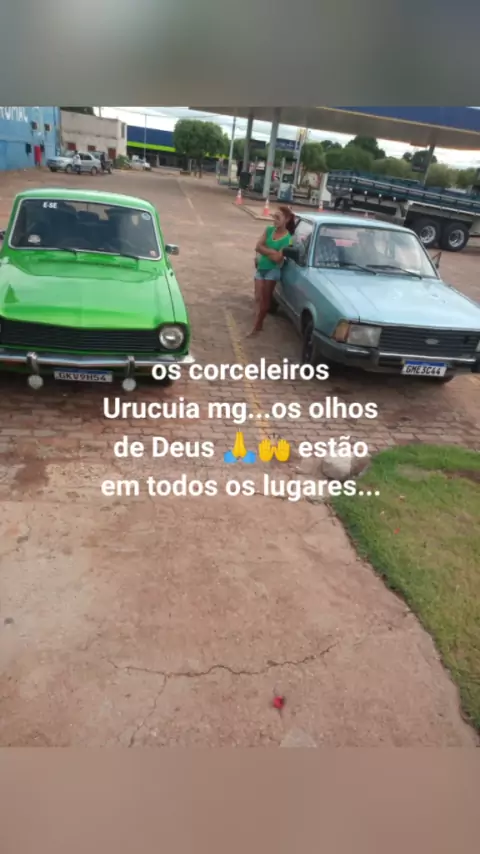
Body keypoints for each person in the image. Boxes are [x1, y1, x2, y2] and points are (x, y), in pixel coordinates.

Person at [249, 205, 295, 336]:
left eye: (278, 217)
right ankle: (257, 322)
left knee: (265, 300)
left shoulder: (288, 239)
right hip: (261, 268)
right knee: (258, 297)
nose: (275, 220)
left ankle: (257, 325)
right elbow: (258, 246)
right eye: (274, 217)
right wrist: (273, 251)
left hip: (272, 271)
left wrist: (265, 250)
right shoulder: (269, 230)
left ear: (286, 220)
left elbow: (277, 259)